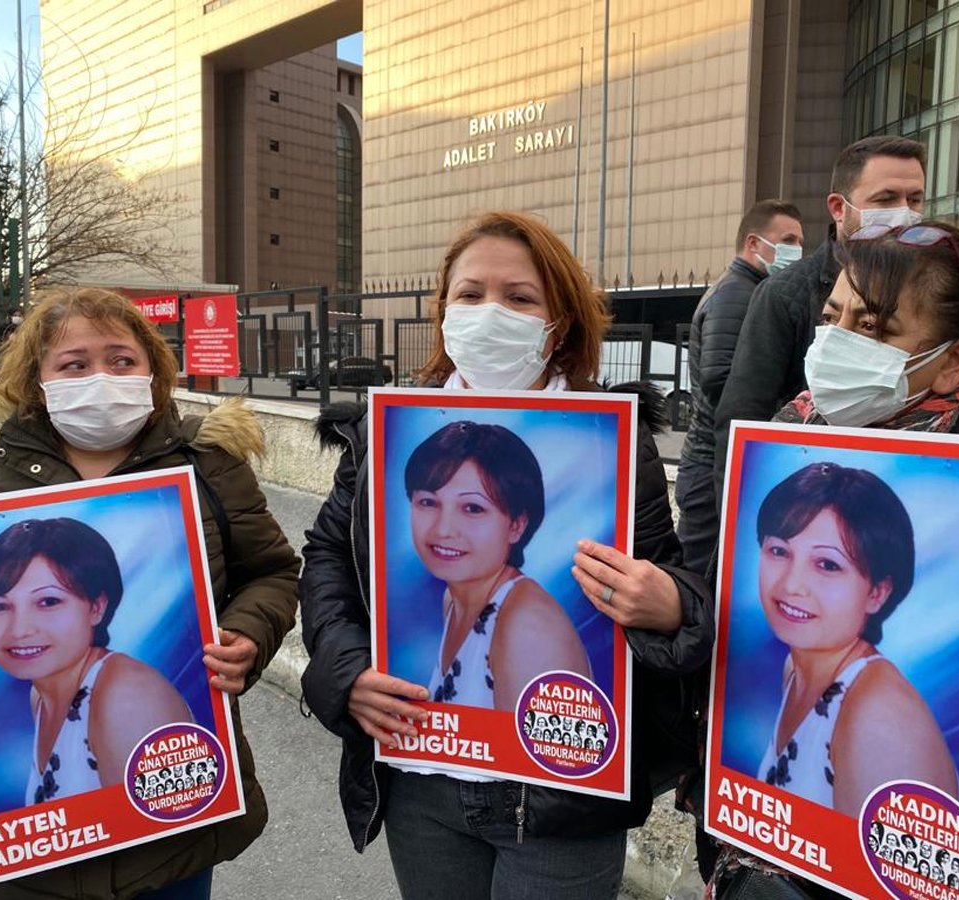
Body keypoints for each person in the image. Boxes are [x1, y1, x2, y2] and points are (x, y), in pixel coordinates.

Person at [300, 210, 714, 900]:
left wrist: (671, 604)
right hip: (421, 782)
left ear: (560, 322)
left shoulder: (610, 441)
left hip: (559, 801)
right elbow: (329, 556)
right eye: (470, 294)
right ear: (443, 311)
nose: (490, 313)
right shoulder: (388, 429)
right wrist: (345, 671)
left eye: (519, 297)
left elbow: (670, 574)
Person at [703, 216, 959, 897]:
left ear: (952, 359)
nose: (836, 343)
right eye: (832, 317)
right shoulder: (781, 453)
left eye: (875, 328)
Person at [0, 287, 301, 900]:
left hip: (167, 848)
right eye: (74, 364)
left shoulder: (208, 466)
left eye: (121, 359)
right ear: (38, 382)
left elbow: (272, 573)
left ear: (153, 371)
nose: (101, 378)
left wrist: (248, 632)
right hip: (27, 858)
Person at [712, 136, 927, 502]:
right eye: (886, 200)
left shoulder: (933, 289)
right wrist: (739, 514)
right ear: (838, 208)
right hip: (809, 491)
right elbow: (741, 419)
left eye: (915, 200)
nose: (904, 213)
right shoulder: (785, 294)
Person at [751, 462, 957, 813]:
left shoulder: (877, 714)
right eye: (779, 551)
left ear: (878, 592)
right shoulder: (797, 669)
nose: (791, 585)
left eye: (827, 565)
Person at [0, 517, 191, 805]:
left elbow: (163, 826)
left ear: (97, 607)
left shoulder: (127, 697)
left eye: (48, 602)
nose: (20, 630)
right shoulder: (41, 697)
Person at [405, 420, 590, 709]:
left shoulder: (527, 625)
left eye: (472, 508)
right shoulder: (453, 599)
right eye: (428, 502)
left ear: (517, 525)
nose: (443, 529)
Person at [675, 200, 804, 574]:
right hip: (710, 463)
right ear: (753, 243)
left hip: (712, 459)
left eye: (801, 242)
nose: (797, 251)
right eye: (788, 241)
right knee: (698, 574)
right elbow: (722, 380)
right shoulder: (737, 294)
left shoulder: (749, 289)